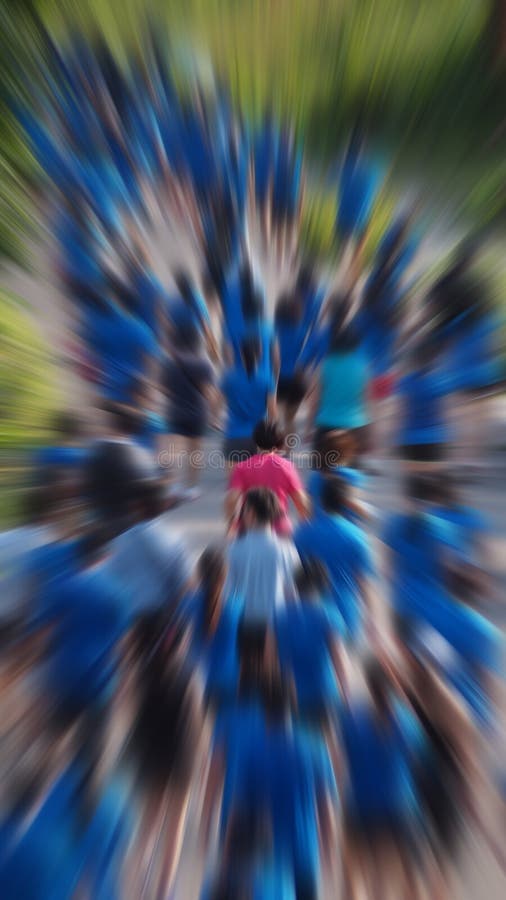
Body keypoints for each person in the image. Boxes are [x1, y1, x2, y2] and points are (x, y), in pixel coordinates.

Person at [225, 488, 298, 687]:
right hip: (275, 625)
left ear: (251, 513)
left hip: (244, 623)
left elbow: (227, 592)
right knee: (273, 682)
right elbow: (293, 594)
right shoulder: (287, 550)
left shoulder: (235, 548)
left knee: (246, 680)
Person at [295, 477, 373, 646]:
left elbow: (293, 575)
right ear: (345, 503)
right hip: (347, 612)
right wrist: (371, 621)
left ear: (321, 500)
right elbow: (364, 582)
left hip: (311, 613)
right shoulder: (358, 537)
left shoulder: (303, 533)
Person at [161, 321, 217, 499]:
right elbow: (208, 392)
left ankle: (172, 486)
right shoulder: (203, 364)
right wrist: (214, 416)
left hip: (175, 411)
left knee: (173, 451)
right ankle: (191, 487)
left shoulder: (169, 364)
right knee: (195, 452)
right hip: (197, 413)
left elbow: (164, 389)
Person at [225, 420, 309, 537]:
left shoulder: (242, 467)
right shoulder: (287, 467)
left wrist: (232, 523)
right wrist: (304, 521)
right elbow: (301, 500)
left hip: (250, 523)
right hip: (279, 525)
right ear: (280, 442)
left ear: (255, 440)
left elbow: (232, 499)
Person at [307, 310, 371, 460]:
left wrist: (310, 427)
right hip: (354, 428)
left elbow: (314, 401)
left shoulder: (324, 366)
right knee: (351, 478)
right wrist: (369, 433)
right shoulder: (363, 367)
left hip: (326, 427)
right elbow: (366, 402)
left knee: (322, 475)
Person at [221, 337, 276, 465]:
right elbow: (273, 412)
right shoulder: (267, 379)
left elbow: (217, 402)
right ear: (260, 353)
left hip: (234, 435)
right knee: (258, 483)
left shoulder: (229, 377)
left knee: (234, 482)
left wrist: (215, 420)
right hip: (258, 439)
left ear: (240, 353)